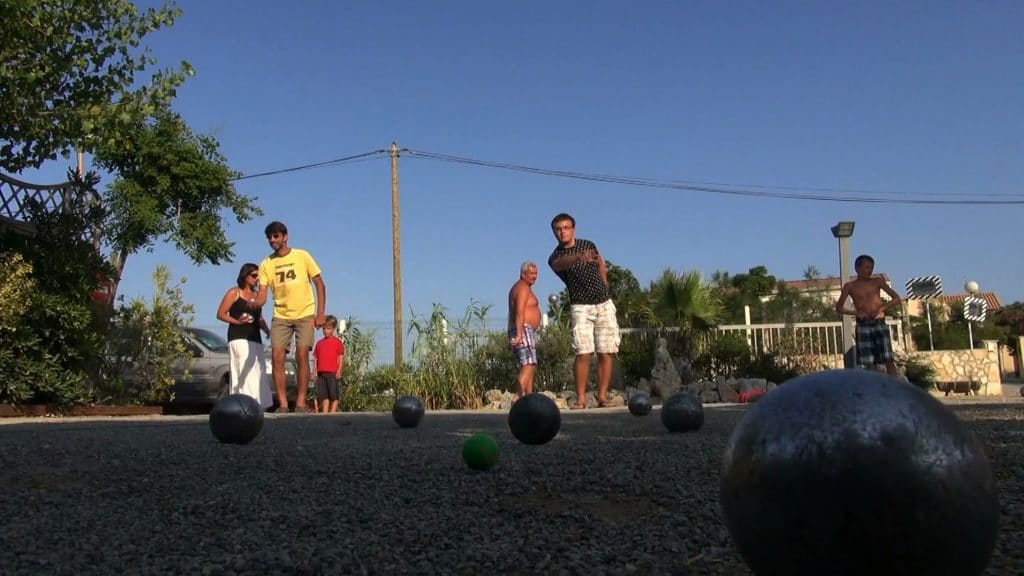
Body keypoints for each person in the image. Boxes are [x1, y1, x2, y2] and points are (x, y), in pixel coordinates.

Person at [251, 221, 326, 412]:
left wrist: (320, 314)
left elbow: (319, 284)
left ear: (285, 236)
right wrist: (252, 303)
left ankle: (300, 403)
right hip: (281, 315)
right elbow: (262, 295)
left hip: (304, 314)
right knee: (277, 356)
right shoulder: (266, 264)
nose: (272, 240)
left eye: (276, 236)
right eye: (269, 237)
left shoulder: (302, 256)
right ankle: (283, 404)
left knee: (302, 355)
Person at [547, 213, 620, 409]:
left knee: (606, 351)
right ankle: (580, 399)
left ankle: (602, 396)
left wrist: (604, 288)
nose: (563, 232)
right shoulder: (555, 257)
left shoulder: (589, 244)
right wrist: (579, 257)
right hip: (580, 306)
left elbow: (600, 264)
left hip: (603, 302)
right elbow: (561, 264)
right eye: (558, 229)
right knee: (583, 352)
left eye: (566, 227)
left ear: (573, 229)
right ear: (554, 232)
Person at [215, 263, 273, 409]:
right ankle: (242, 404)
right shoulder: (234, 293)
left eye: (258, 277)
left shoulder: (256, 296)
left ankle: (258, 405)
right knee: (242, 368)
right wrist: (237, 322)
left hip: (254, 338)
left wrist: (267, 331)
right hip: (238, 337)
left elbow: (259, 317)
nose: (256, 279)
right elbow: (220, 314)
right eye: (253, 276)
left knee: (258, 371)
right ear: (245, 276)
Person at [835, 254, 902, 377]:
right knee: (869, 362)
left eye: (871, 267)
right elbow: (839, 307)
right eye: (867, 267)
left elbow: (897, 298)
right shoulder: (850, 286)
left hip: (879, 323)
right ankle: (874, 389)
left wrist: (882, 308)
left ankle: (894, 388)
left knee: (888, 359)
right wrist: (856, 313)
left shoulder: (877, 281)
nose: (870, 270)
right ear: (857, 268)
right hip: (863, 324)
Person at [507, 261, 541, 399]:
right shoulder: (522, 287)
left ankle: (529, 398)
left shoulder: (520, 287)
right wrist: (520, 334)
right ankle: (517, 397)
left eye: (536, 273)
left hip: (522, 329)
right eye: (531, 273)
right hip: (523, 329)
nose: (534, 276)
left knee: (530, 365)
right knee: (529, 363)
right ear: (523, 274)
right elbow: (519, 310)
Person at [311, 315, 345, 413]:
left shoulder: (337, 342)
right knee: (324, 395)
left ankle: (332, 414)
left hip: (332, 373)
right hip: (321, 373)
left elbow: (340, 357)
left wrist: (339, 369)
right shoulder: (319, 343)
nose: (325, 331)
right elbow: (315, 358)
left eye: (328, 329)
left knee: (334, 396)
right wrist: (314, 371)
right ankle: (325, 415)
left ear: (333, 329)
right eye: (324, 328)